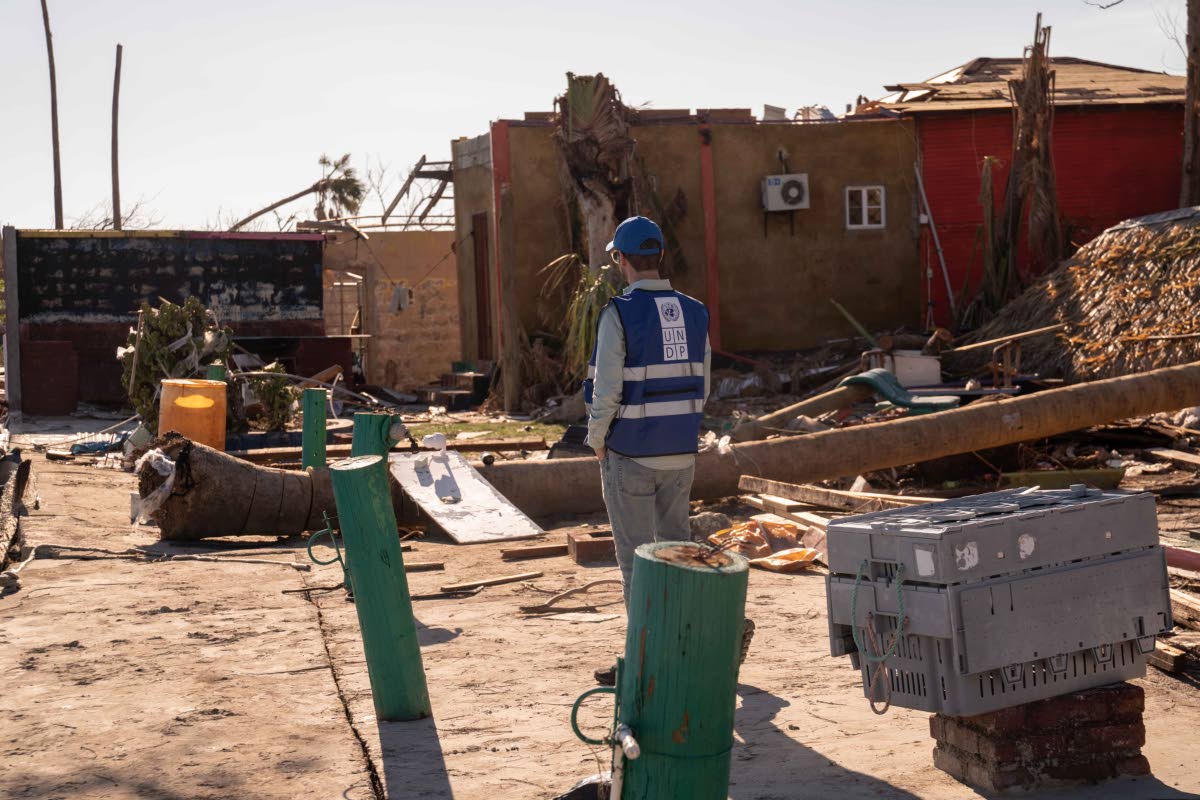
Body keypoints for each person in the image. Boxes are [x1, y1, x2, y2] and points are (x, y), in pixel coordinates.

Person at [583, 215, 711, 686]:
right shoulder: (696, 312)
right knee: (679, 552)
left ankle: (644, 663)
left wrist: (597, 440)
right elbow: (704, 385)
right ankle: (693, 645)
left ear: (621, 260)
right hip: (681, 453)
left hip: (630, 455)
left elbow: (607, 390)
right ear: (659, 257)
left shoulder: (618, 313)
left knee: (637, 562)